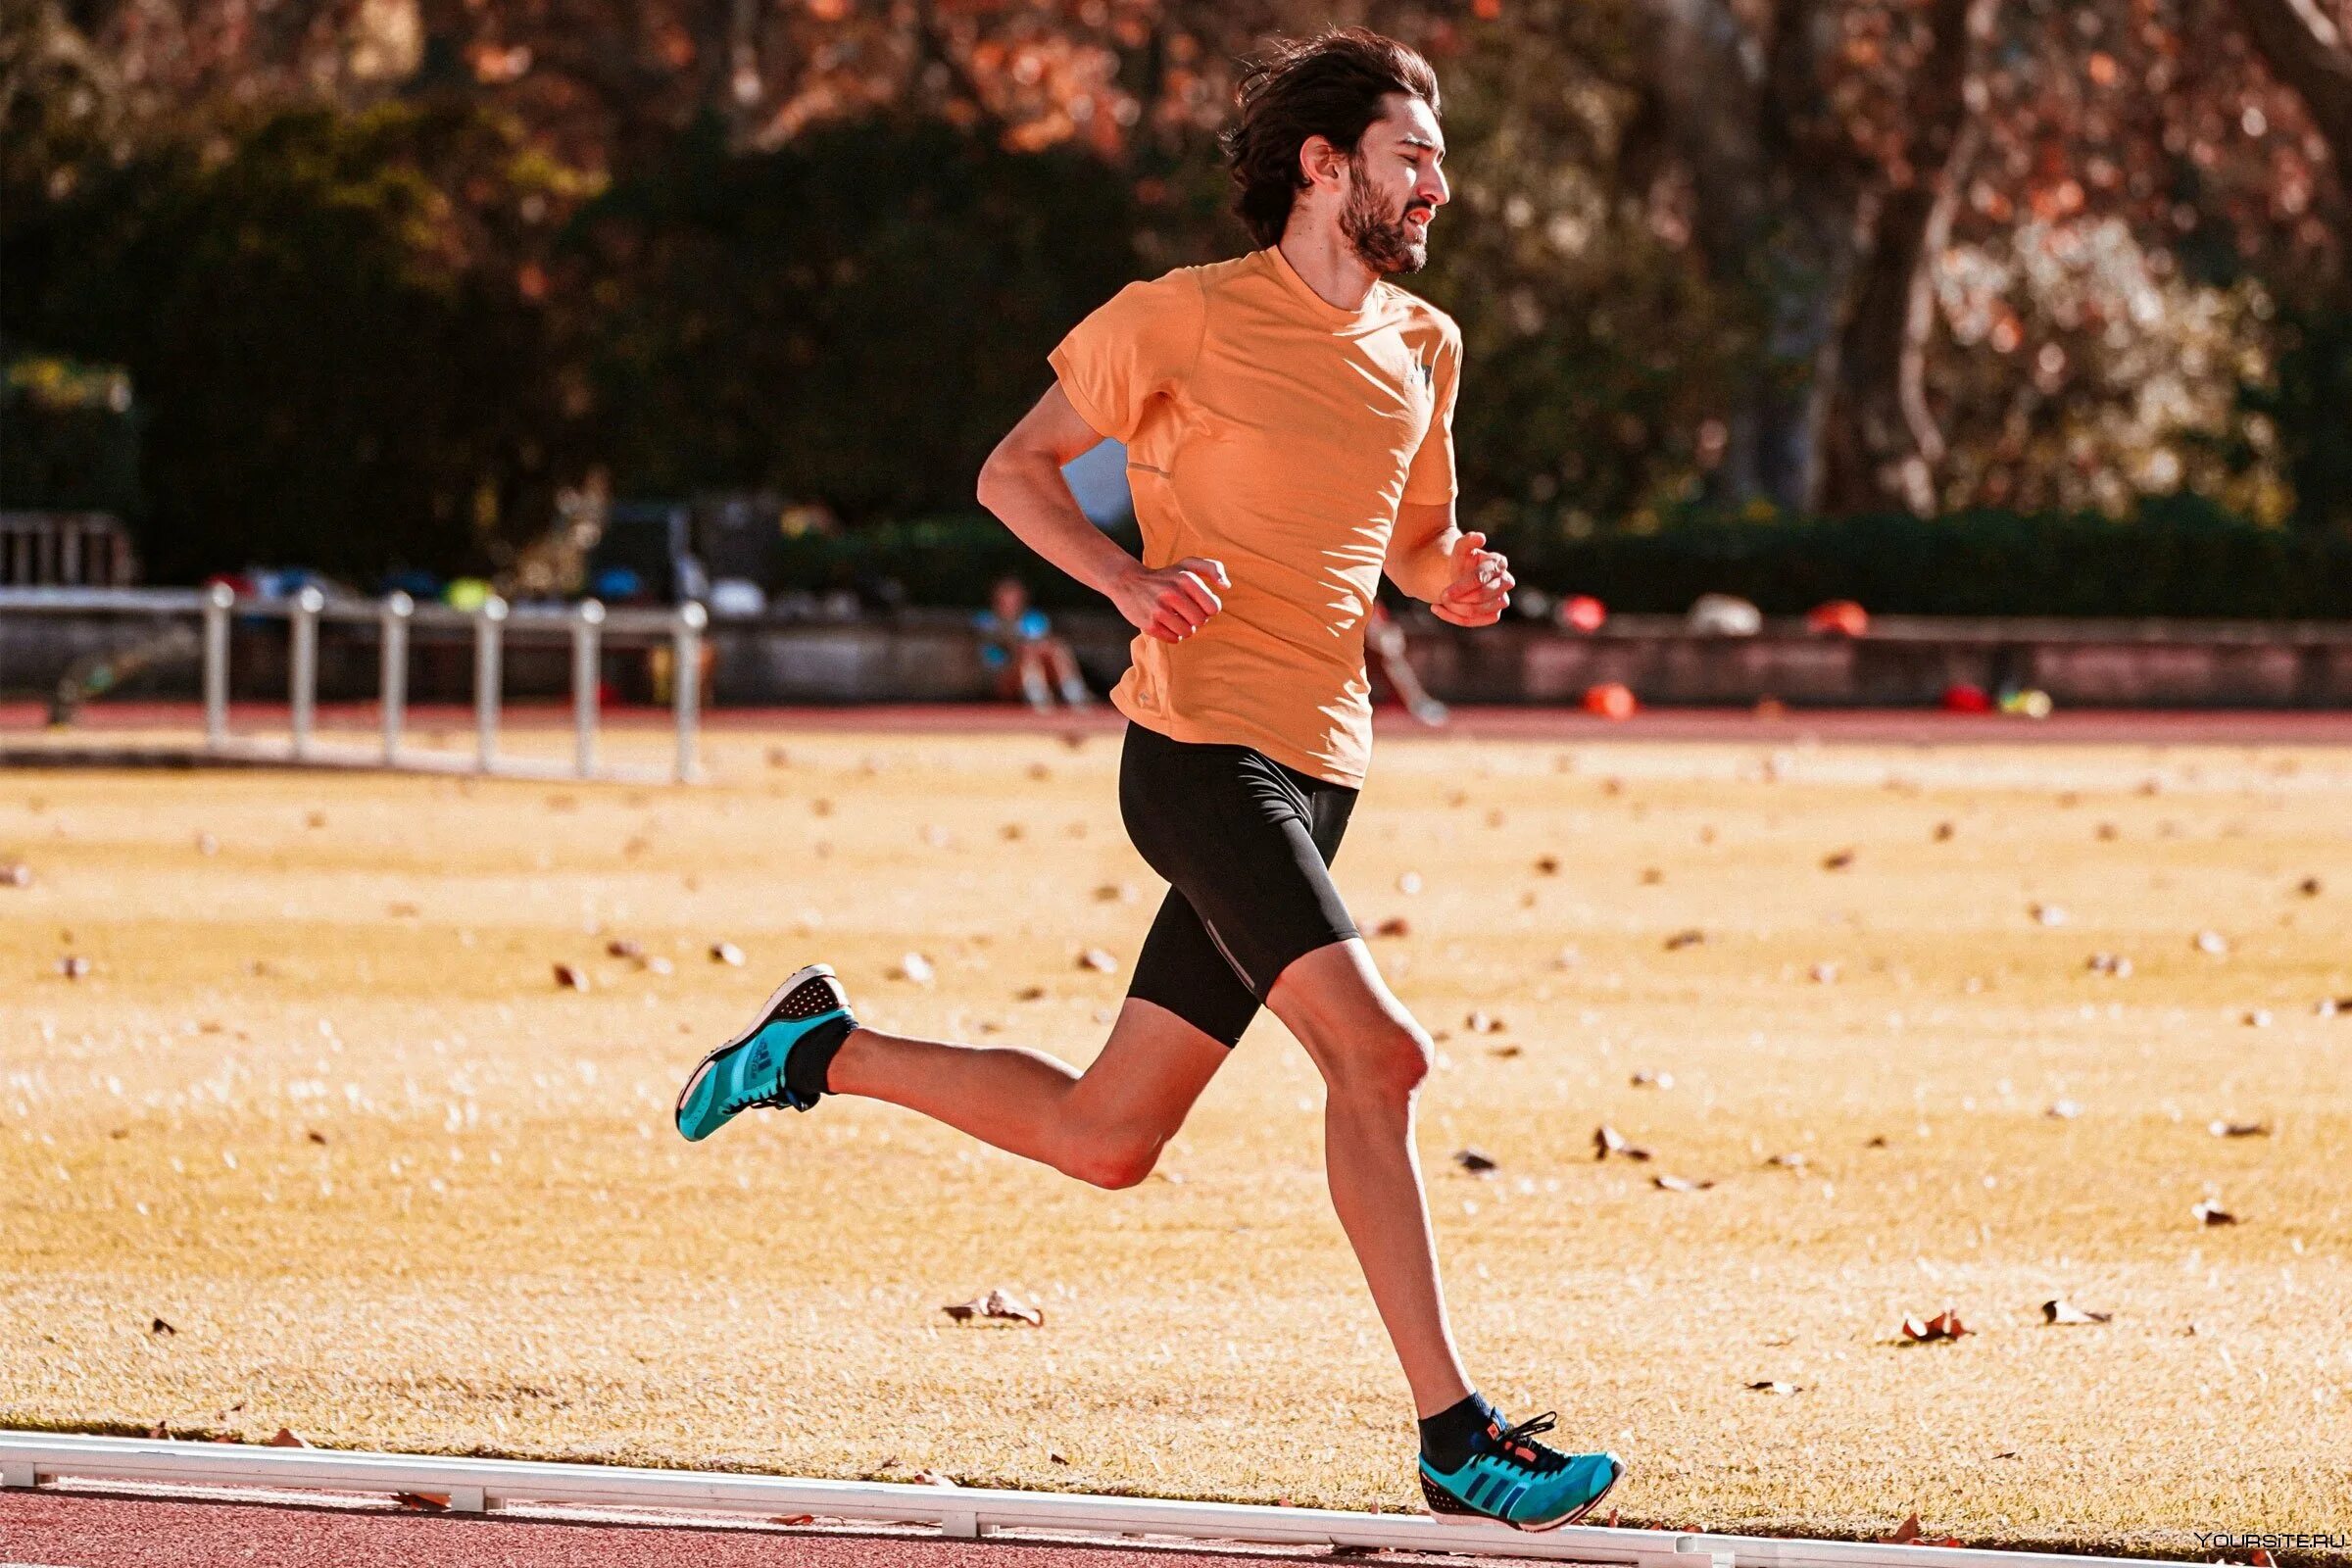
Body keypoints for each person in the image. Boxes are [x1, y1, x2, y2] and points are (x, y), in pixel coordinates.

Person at [672, 27, 1624, 1533]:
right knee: (1383, 1061)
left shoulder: (1426, 345)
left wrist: (1460, 584)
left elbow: (1416, 541)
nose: (1439, 182)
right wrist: (1123, 580)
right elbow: (1012, 471)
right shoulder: (1178, 319)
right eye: (1413, 154)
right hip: (1197, 757)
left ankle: (817, 1051)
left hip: (1322, 770)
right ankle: (1456, 1437)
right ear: (1326, 166)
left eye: (1438, 159)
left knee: (1108, 1140)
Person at [975, 575, 1092, 709]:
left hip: (1036, 669)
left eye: (1014, 597)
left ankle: (1074, 693)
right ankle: (1038, 697)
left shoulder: (1034, 618)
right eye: (1006, 597)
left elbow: (1042, 643)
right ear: (997, 598)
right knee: (1028, 652)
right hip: (1002, 676)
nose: (1011, 602)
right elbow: (997, 652)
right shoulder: (986, 620)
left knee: (1057, 648)